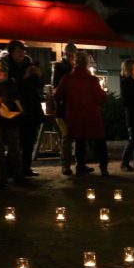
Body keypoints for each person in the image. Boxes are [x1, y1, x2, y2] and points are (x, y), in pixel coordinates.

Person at [54, 51, 107, 176]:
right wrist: (103, 92)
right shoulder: (93, 80)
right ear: (87, 64)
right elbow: (101, 98)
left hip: (74, 115)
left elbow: (57, 95)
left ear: (74, 63)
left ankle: (80, 165)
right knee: (99, 141)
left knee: (79, 140)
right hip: (92, 115)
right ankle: (103, 167)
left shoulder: (67, 79)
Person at [0, 40, 42, 178]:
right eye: (18, 52)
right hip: (13, 108)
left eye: (23, 51)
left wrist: (37, 75)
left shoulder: (28, 64)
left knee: (29, 139)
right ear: (11, 52)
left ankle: (26, 168)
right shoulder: (5, 65)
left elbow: (38, 84)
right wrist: (25, 77)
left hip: (30, 107)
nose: (21, 54)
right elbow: (9, 86)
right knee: (15, 141)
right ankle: (14, 170)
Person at [0, 60, 24, 184]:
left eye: (4, 71)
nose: (2, 74)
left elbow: (16, 99)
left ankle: (16, 173)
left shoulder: (11, 84)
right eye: (0, 71)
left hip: (12, 120)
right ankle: (2, 176)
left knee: (14, 148)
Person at [53, 43, 82, 175]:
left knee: (78, 136)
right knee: (66, 138)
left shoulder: (75, 67)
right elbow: (57, 88)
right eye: (70, 55)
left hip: (76, 106)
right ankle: (66, 165)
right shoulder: (60, 67)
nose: (72, 57)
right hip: (64, 107)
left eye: (73, 55)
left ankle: (79, 163)